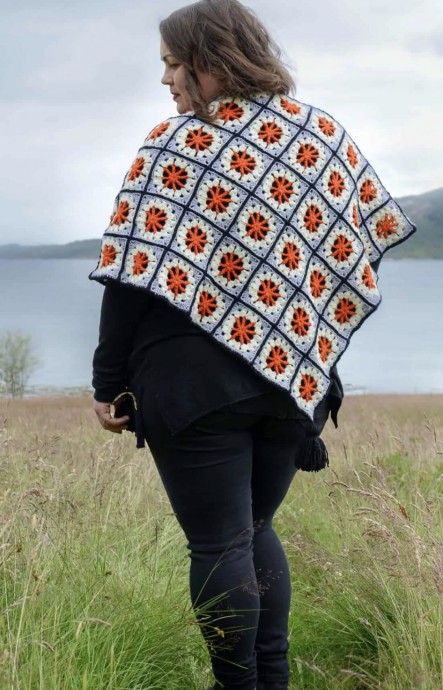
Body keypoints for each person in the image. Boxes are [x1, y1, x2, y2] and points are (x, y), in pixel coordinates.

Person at [90, 1, 416, 688]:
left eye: (172, 64)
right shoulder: (320, 137)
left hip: (193, 385)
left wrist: (105, 383)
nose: (166, 81)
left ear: (208, 61)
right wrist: (305, 345)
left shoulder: (174, 147)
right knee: (254, 532)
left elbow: (128, 276)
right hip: (291, 384)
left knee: (219, 542)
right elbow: (347, 262)